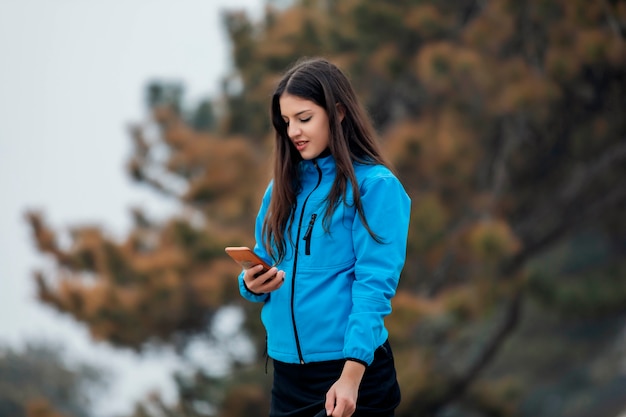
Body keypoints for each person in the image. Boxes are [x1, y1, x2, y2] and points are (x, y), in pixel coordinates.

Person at [238, 57, 411, 417]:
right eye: (286, 122)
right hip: (287, 378)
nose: (294, 132)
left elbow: (374, 287)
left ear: (339, 112)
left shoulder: (375, 188)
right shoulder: (281, 188)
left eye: (304, 118)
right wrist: (252, 283)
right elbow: (264, 258)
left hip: (348, 374)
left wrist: (351, 377)